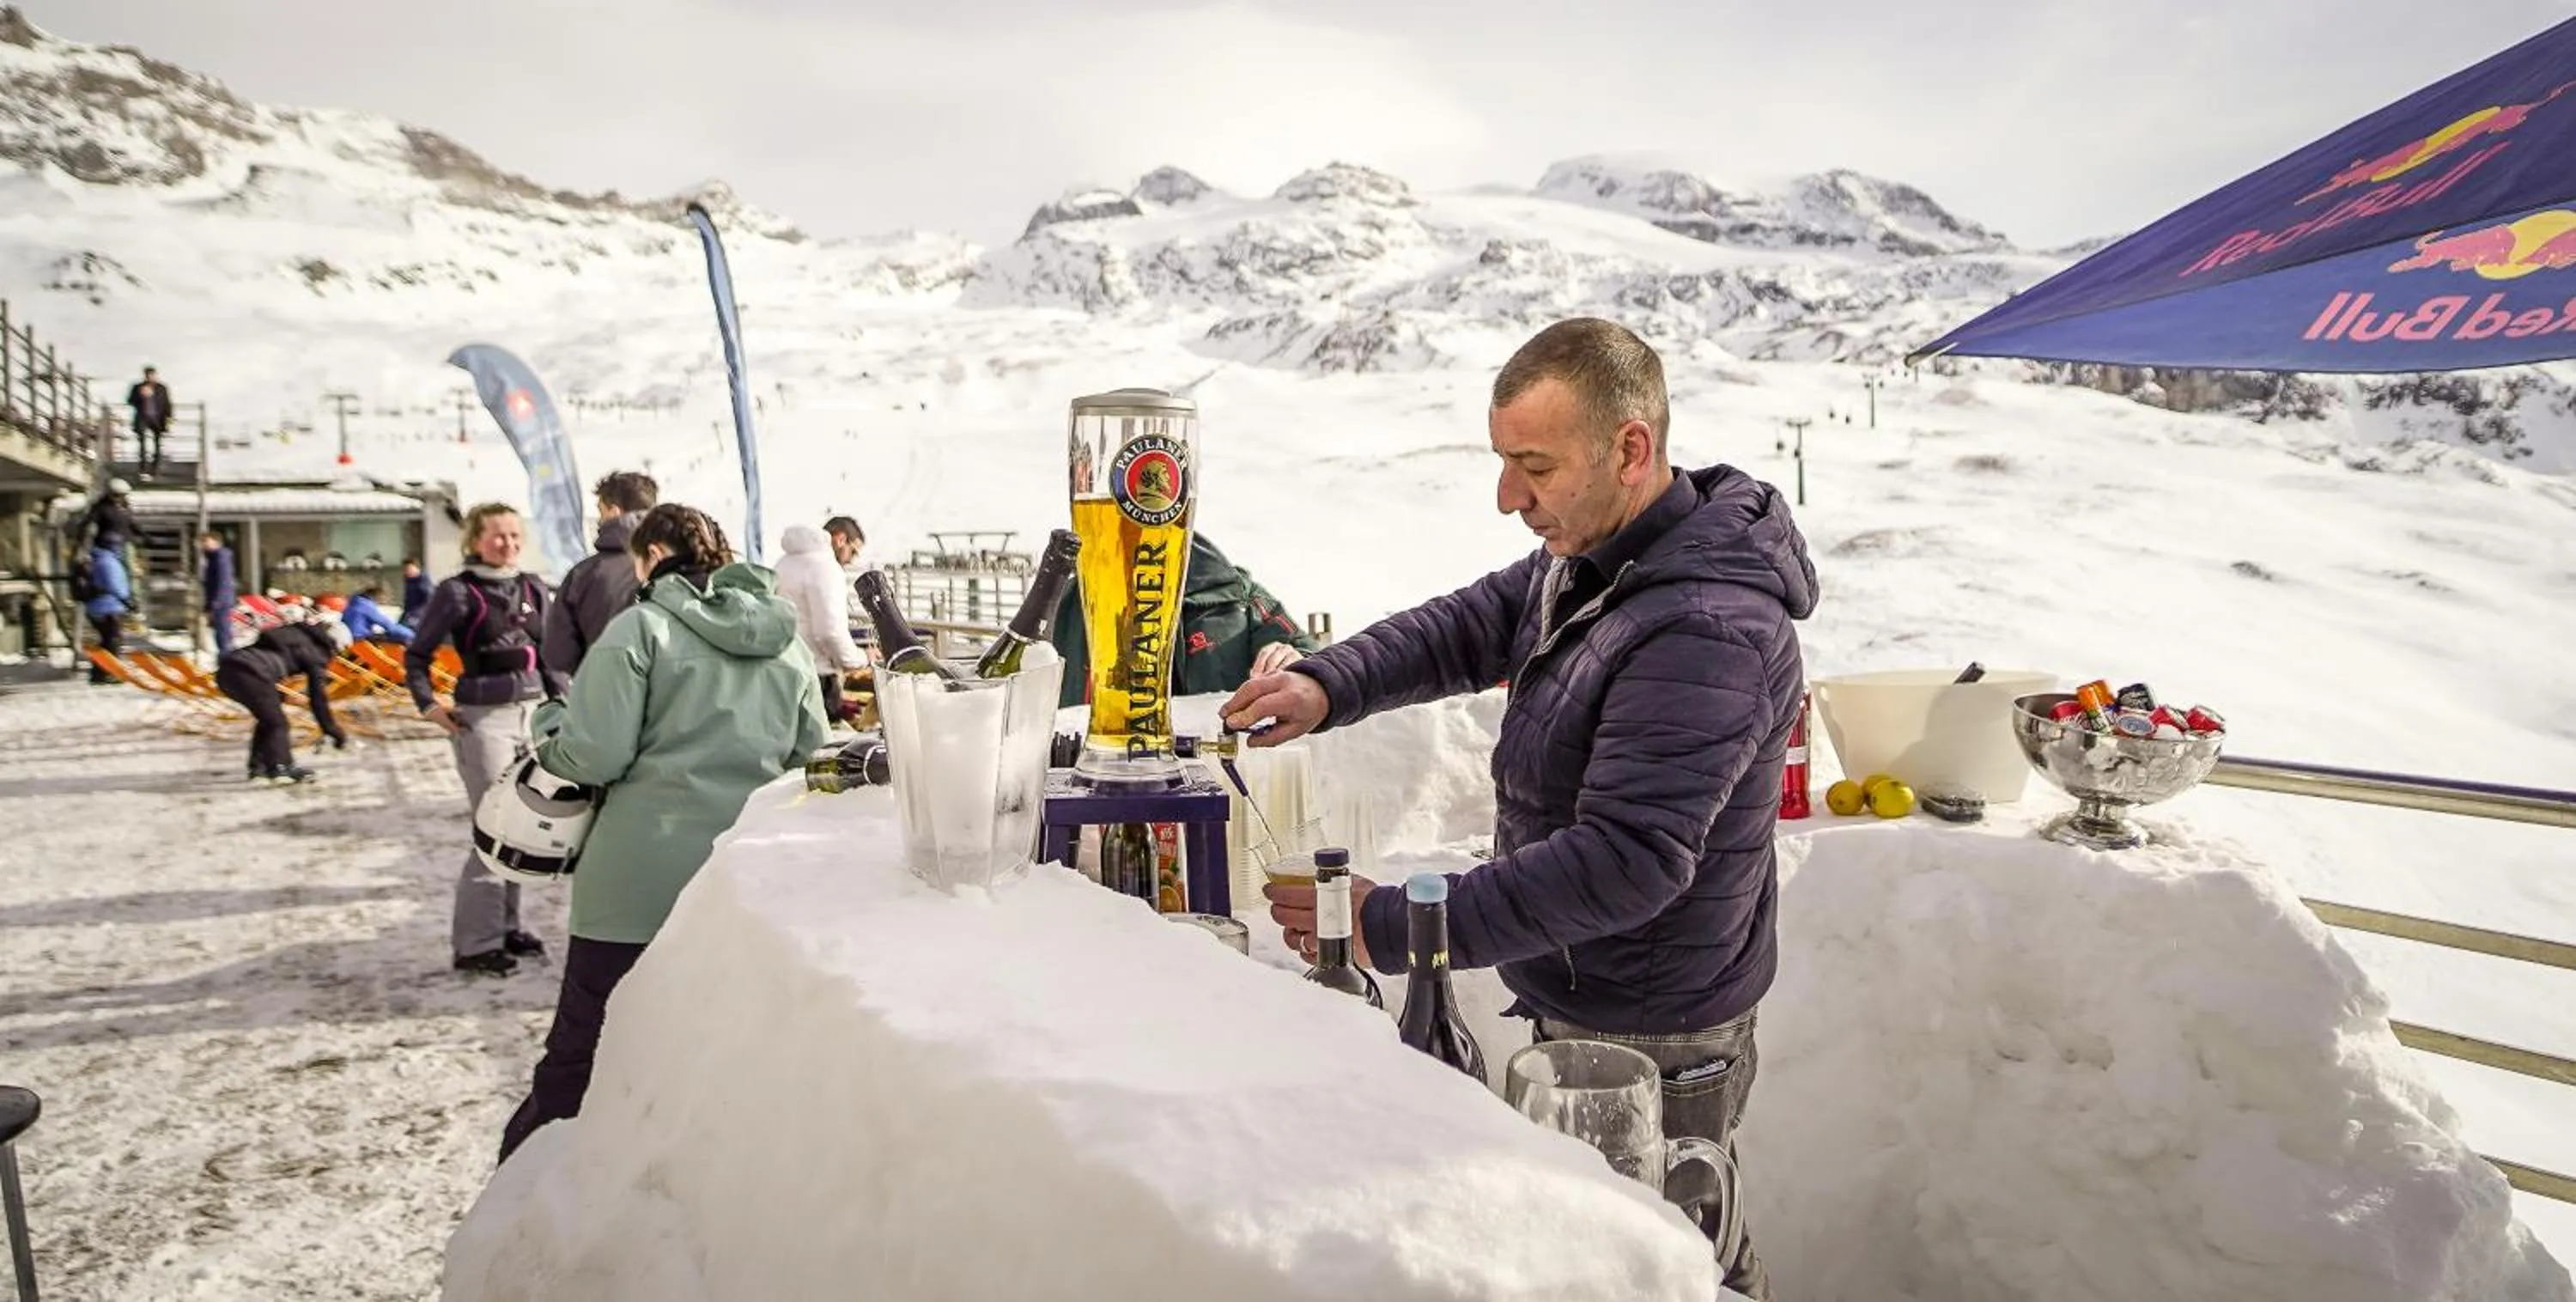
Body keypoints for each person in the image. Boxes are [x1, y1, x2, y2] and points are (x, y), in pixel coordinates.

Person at [1222, 318, 1816, 1298]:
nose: (1509, 499)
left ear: (1631, 448)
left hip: (1660, 1034)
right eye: (1504, 462)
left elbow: (1627, 860)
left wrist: (1398, 924)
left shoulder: (1707, 628)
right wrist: (1329, 682)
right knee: (1596, 1250)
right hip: (1588, 990)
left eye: (1532, 466)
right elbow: (1471, 624)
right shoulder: (1598, 553)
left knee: (1675, 1266)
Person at [496, 503, 828, 1162]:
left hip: (634, 885)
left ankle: (525, 1190)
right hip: (742, 877)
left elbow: (595, 755)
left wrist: (550, 727)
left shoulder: (641, 630)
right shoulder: (786, 640)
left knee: (582, 1053)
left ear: (649, 558)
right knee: (715, 1044)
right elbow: (808, 755)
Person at [404, 504, 569, 976]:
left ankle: (506, 926)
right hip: (485, 719)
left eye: (515, 535)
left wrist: (566, 708)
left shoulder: (532, 587)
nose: (509, 544)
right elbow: (417, 655)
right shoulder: (457, 592)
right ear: (475, 541)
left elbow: (550, 654)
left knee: (522, 827)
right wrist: (428, 705)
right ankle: (476, 944)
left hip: (534, 716)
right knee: (493, 827)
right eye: (498, 536)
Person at [1048, 532, 1319, 709]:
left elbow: (1315, 662)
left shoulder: (1237, 598)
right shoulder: (1061, 607)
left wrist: (1295, 661)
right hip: (1096, 782)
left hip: (1216, 779)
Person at [543, 471, 659, 678]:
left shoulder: (584, 575)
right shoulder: (680, 564)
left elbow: (558, 654)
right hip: (672, 697)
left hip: (606, 691)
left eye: (600, 511)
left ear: (613, 512)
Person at [215, 613, 350, 783]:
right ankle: (281, 767)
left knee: (269, 719)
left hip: (228, 669)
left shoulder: (297, 632)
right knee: (277, 722)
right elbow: (318, 699)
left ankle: (259, 768)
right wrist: (333, 730)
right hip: (252, 673)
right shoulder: (317, 653)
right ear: (335, 644)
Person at [774, 521, 868, 722]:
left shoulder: (783, 563)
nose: (851, 560)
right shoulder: (825, 567)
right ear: (841, 539)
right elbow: (829, 632)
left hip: (784, 673)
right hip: (817, 677)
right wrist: (859, 659)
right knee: (821, 749)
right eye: (854, 551)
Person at [79, 539, 135, 685]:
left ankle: (100, 673)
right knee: (112, 641)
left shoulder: (99, 560)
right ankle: (110, 673)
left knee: (107, 641)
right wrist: (127, 600)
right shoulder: (108, 562)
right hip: (108, 606)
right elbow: (114, 585)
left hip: (100, 606)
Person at [126, 367, 173, 476]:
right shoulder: (138, 387)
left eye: (152, 375)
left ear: (156, 375)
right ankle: (142, 468)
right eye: (148, 375)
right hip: (143, 418)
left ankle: (154, 469)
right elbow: (130, 401)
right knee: (142, 443)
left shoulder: (162, 388)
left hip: (157, 419)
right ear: (145, 376)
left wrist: (169, 420)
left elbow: (167, 404)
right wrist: (140, 395)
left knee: (157, 444)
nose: (150, 377)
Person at [201, 531, 239, 655]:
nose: (203, 545)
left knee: (223, 633)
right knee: (219, 632)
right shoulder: (213, 557)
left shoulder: (220, 557)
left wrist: (216, 601)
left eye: (206, 541)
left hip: (221, 602)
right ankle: (225, 659)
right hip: (218, 600)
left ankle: (227, 660)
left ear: (216, 542)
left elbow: (223, 580)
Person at [82, 478, 138, 551]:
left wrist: (144, 535)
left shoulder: (125, 509)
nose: (118, 499)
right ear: (109, 494)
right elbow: (90, 525)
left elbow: (132, 523)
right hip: (106, 545)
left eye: (121, 496)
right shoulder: (101, 508)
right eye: (116, 495)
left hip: (125, 545)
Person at [340, 587, 412, 642]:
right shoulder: (365, 605)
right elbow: (388, 625)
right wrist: (412, 635)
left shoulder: (353, 603)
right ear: (375, 597)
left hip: (349, 637)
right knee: (396, 637)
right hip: (360, 638)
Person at [399, 558, 433, 624]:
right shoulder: (409, 582)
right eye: (405, 570)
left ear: (417, 568)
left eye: (409, 569)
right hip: (409, 615)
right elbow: (408, 602)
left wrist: (415, 615)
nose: (408, 572)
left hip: (419, 617)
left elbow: (429, 601)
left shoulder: (424, 582)